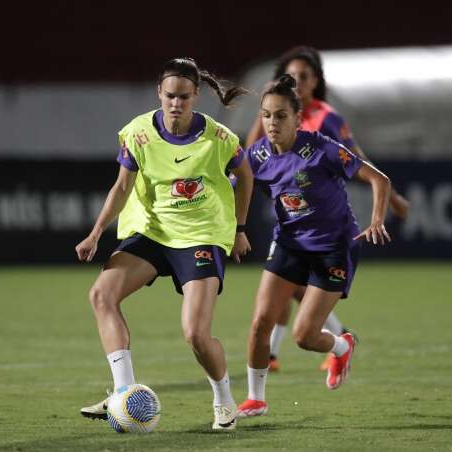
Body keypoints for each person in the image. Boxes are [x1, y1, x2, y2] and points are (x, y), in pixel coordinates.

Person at [75, 57, 253, 431]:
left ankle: (223, 399)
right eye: (169, 95)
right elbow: (122, 187)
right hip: (153, 232)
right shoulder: (138, 133)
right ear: (159, 93)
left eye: (184, 97)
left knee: (196, 335)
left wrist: (239, 229)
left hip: (201, 236)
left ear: (196, 96)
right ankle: (124, 393)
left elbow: (245, 174)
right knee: (101, 295)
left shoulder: (218, 139)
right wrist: (95, 233)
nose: (176, 103)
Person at [245, 45, 409, 372]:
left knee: (291, 289)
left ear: (314, 82)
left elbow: (355, 157)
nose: (296, 81)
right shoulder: (274, 114)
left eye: (302, 77)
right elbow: (252, 152)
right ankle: (290, 350)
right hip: (291, 213)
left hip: (325, 216)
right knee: (284, 288)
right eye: (289, 76)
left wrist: (392, 199)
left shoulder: (328, 118)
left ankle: (331, 339)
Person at [236, 74, 391, 417]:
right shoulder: (257, 155)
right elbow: (235, 185)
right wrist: (235, 226)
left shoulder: (321, 149)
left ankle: (340, 345)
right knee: (261, 320)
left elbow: (379, 179)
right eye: (265, 115)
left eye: (279, 115)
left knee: (305, 337)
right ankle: (256, 399)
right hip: (289, 243)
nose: (271, 123)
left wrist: (377, 219)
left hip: (333, 246)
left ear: (297, 117)